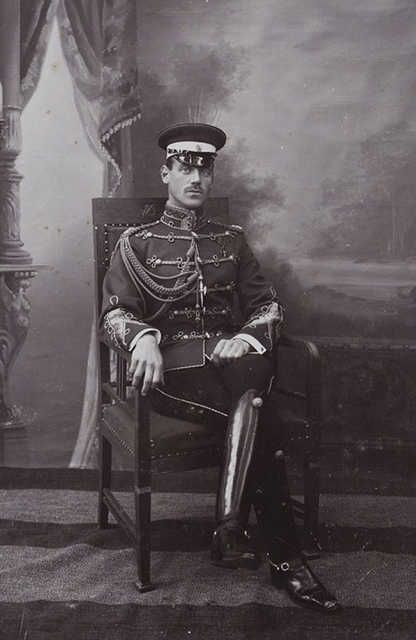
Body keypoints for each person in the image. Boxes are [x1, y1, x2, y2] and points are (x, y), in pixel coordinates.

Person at [100, 123, 340, 613]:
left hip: (234, 362)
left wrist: (245, 338)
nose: (195, 179)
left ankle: (230, 529)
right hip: (174, 371)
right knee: (262, 418)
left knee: (251, 375)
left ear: (211, 177)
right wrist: (143, 339)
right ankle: (283, 559)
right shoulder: (136, 243)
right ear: (165, 173)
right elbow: (114, 314)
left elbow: (267, 306)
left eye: (204, 171)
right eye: (184, 169)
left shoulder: (231, 240)